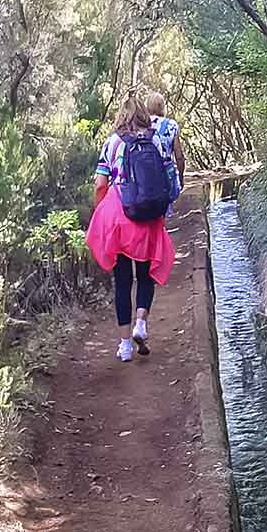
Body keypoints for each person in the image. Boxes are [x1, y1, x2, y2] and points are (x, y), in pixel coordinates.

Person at [85, 92, 177, 362]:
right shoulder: (157, 139)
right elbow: (169, 177)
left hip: (119, 216)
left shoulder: (112, 143)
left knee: (122, 281)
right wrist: (163, 205)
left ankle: (125, 346)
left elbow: (100, 184)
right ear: (144, 115)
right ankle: (141, 323)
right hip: (147, 216)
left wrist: (101, 210)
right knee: (145, 274)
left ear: (121, 115)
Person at [143, 90, 185, 204]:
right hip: (165, 175)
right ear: (163, 107)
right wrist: (180, 178)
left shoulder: (141, 123)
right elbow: (179, 156)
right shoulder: (171, 125)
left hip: (144, 174)